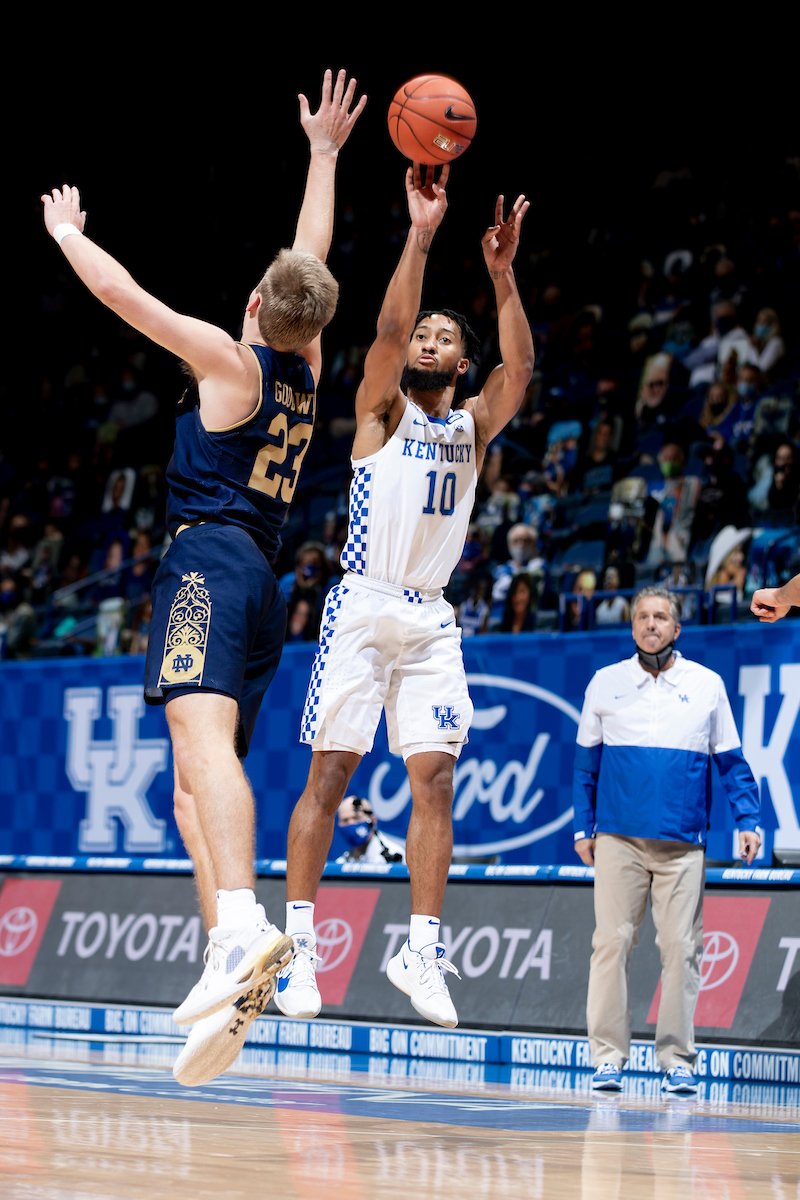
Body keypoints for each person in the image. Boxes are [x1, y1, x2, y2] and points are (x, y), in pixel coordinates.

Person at [42, 69, 365, 1087]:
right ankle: (226, 956)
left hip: (212, 559)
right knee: (193, 778)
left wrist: (65, 234)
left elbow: (121, 295)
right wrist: (321, 156)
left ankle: (239, 923)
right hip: (265, 578)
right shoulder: (307, 364)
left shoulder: (232, 364)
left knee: (195, 739)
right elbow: (308, 259)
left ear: (261, 306)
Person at [279, 164, 534, 1029]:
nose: (424, 339)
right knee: (332, 773)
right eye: (422, 333)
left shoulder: (471, 423)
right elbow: (387, 324)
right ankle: (299, 946)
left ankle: (421, 950)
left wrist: (501, 277)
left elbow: (522, 365)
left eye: (440, 337)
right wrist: (421, 237)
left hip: (430, 615)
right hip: (361, 602)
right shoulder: (382, 413)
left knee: (436, 779)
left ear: (461, 363)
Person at [573, 587, 761, 1094]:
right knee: (610, 944)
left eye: (660, 617)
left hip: (683, 845)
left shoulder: (707, 685)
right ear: (632, 627)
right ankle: (608, 1058)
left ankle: (677, 1058)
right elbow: (585, 766)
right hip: (617, 840)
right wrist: (581, 826)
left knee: (680, 949)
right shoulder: (605, 683)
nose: (650, 624)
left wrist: (749, 819)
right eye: (642, 617)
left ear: (677, 630)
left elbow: (732, 764)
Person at [333, 795, 406, 865]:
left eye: (356, 818)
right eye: (345, 820)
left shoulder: (394, 857)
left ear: (372, 820)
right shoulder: (341, 863)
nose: (351, 824)